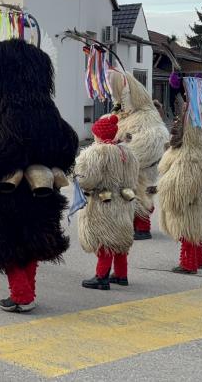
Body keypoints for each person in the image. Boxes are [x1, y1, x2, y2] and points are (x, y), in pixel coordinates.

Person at [0, 38, 79, 312]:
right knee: (32, 240)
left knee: (6, 242)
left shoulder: (3, 112)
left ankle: (21, 294)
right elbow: (68, 144)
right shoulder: (48, 111)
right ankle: (27, 291)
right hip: (43, 192)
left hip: (9, 194)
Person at [74, 114, 140, 290]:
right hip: (124, 200)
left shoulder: (97, 153)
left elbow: (87, 179)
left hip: (103, 202)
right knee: (120, 237)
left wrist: (78, 176)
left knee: (105, 237)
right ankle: (121, 274)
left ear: (98, 134)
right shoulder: (127, 153)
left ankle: (101, 276)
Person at [158, 79, 202, 274]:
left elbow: (179, 186)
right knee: (194, 229)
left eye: (179, 121)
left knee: (187, 230)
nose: (176, 124)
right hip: (198, 200)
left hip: (189, 203)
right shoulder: (199, 152)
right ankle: (198, 260)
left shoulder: (189, 159)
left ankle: (188, 264)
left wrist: (161, 187)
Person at [107, 69, 170, 241]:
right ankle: (132, 225)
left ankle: (142, 227)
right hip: (128, 167)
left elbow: (153, 140)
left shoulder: (147, 116)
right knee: (129, 194)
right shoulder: (123, 115)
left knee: (142, 193)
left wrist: (124, 152)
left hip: (143, 166)